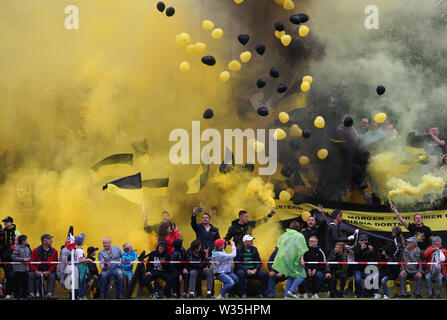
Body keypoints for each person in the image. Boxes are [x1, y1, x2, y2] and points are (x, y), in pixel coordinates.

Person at [272, 221, 308, 299]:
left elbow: (278, 247)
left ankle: (287, 296)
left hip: (286, 259)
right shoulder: (299, 236)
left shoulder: (284, 235)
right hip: (295, 259)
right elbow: (301, 248)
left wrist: (281, 259)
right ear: (298, 227)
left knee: (290, 276)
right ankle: (291, 291)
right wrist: (302, 259)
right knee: (302, 275)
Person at [29, 234, 58, 299]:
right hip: (37, 271)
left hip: (48, 271)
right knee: (31, 275)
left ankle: (49, 294)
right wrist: (35, 271)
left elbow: (55, 264)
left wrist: (49, 271)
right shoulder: (35, 250)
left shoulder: (54, 251)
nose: (51, 240)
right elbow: (31, 263)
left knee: (52, 276)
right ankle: (31, 294)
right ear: (44, 241)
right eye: (49, 239)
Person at [352, 234, 379, 298]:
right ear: (359, 241)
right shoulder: (356, 247)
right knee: (357, 279)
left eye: (365, 240)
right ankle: (358, 294)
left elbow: (375, 258)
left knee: (368, 279)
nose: (364, 241)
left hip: (367, 269)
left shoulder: (370, 247)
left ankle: (366, 294)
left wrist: (372, 251)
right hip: (358, 269)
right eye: (362, 240)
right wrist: (361, 249)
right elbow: (356, 254)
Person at [0, 216, 21, 298]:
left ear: (11, 222)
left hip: (15, 256)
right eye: (4, 222)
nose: (5, 223)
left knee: (16, 275)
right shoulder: (2, 232)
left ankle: (16, 293)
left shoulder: (16, 231)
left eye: (7, 221)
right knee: (8, 276)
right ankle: (7, 293)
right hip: (5, 257)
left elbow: (20, 243)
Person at [11, 235, 31, 300]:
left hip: (26, 269)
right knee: (18, 284)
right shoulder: (17, 248)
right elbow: (13, 257)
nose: (27, 241)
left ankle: (25, 296)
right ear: (23, 241)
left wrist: (29, 258)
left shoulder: (27, 248)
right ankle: (17, 296)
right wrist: (23, 259)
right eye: (26, 240)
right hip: (18, 269)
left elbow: (30, 255)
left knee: (25, 284)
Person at [74, 233, 91, 300]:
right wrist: (88, 260)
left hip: (77, 267)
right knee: (82, 282)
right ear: (82, 242)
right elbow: (80, 260)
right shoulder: (80, 250)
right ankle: (81, 296)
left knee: (77, 282)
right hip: (80, 268)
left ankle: (76, 296)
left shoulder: (75, 250)